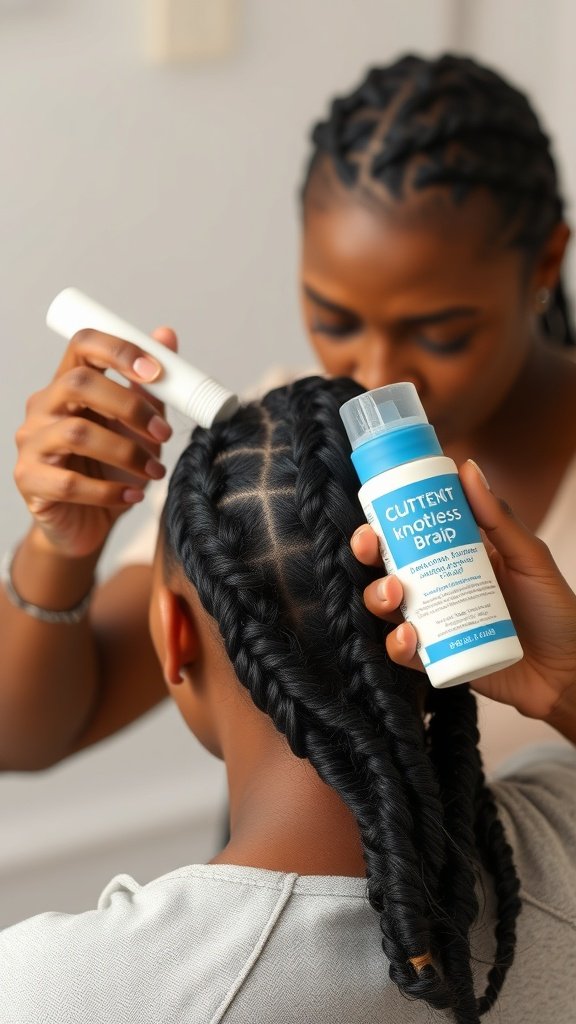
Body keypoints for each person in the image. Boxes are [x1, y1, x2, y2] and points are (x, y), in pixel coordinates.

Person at [2, 53, 576, 772]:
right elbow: (23, 739)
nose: (372, 375)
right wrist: (61, 547)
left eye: (441, 334)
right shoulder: (285, 438)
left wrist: (565, 691)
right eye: (335, 321)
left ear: (545, 263)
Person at [1, 375, 575, 1024]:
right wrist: (566, 682)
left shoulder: (52, 993)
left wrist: (50, 547)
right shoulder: (561, 840)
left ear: (172, 634)